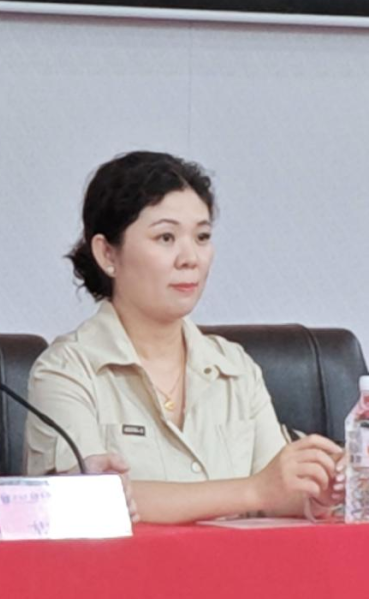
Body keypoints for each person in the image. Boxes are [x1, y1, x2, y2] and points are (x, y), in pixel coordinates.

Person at [25, 151, 344, 523]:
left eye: (202, 237)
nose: (190, 258)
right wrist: (252, 490)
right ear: (108, 253)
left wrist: (321, 488)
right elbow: (84, 502)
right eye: (166, 237)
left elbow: (277, 492)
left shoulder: (235, 367)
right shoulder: (65, 371)